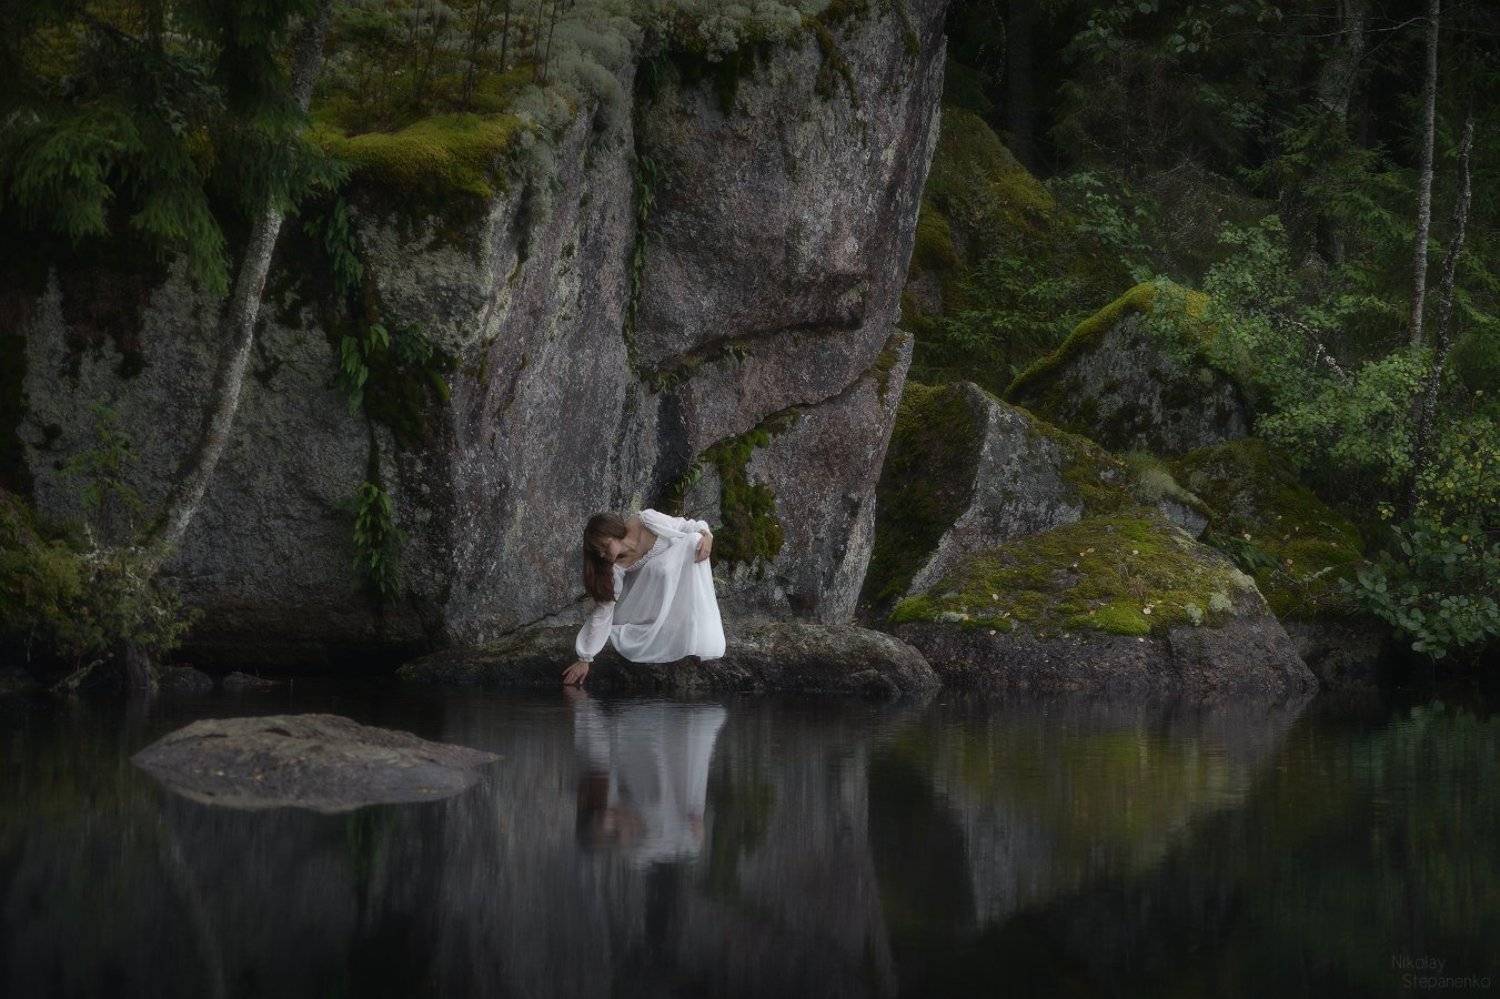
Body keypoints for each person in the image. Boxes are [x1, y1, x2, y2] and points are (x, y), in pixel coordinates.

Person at [563, 508, 727, 685]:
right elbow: (604, 610)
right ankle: (666, 626)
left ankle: (696, 629)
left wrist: (707, 534)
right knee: (663, 567)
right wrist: (585, 657)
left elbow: (687, 526)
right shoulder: (615, 568)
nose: (603, 554)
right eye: (599, 552)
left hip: (674, 589)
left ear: (612, 532)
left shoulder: (645, 521)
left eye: (604, 546)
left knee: (695, 540)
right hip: (643, 600)